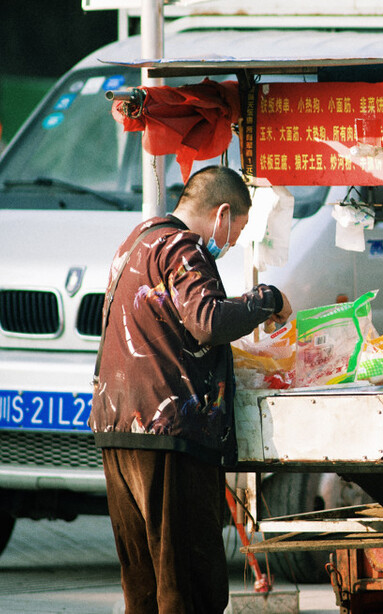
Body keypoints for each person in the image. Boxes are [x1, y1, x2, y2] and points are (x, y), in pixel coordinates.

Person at [90, 166, 291, 613]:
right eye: (236, 231)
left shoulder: (135, 242)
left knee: (143, 582)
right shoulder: (181, 246)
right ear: (222, 214)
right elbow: (208, 321)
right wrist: (267, 299)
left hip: (117, 426)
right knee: (186, 581)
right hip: (166, 434)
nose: (232, 242)